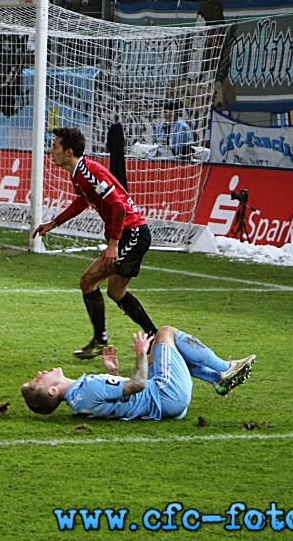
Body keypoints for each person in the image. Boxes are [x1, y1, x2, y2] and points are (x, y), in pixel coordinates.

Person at [33, 127, 156, 360]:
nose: (51, 151)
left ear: (68, 152)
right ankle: (150, 335)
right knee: (115, 291)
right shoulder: (78, 174)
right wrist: (54, 223)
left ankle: (105, 338)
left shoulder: (90, 172)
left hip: (132, 233)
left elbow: (118, 206)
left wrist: (113, 244)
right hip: (129, 233)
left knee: (88, 282)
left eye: (55, 146)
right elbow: (82, 201)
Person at [21, 326, 257, 419]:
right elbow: (138, 385)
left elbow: (117, 397)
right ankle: (226, 368)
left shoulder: (78, 400)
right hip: (165, 394)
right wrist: (140, 355)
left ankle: (217, 379)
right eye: (37, 380)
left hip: (164, 405)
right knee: (166, 334)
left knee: (159, 350)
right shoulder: (87, 388)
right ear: (52, 391)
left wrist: (112, 372)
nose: (40, 372)